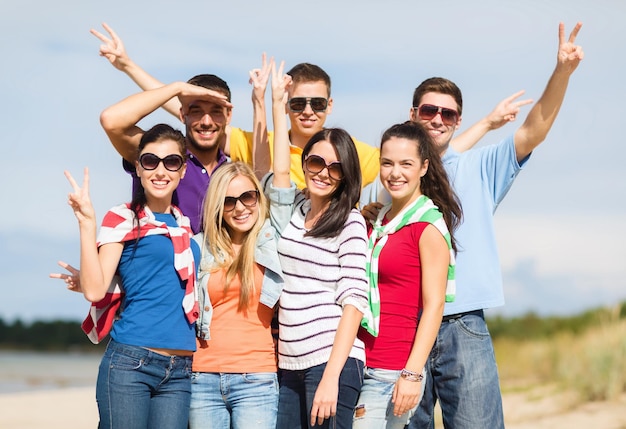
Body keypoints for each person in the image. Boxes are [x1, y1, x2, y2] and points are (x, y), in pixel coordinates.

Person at [402, 22, 584, 428]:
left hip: (462, 323)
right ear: (413, 113)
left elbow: (533, 129)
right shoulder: (393, 175)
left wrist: (561, 73)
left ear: (456, 119)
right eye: (428, 110)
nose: (437, 119)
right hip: (402, 325)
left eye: (447, 113)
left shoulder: (480, 167)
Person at [63, 124, 200, 429]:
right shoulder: (124, 219)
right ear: (138, 168)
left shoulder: (186, 227)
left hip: (180, 370)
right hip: (131, 362)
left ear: (182, 171)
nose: (160, 170)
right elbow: (96, 289)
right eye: (150, 161)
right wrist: (87, 222)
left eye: (172, 162)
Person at [268, 61, 369, 429]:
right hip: (289, 362)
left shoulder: (350, 222)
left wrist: (331, 377)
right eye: (316, 161)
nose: (323, 172)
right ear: (305, 162)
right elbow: (279, 170)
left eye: (336, 167)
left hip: (331, 362)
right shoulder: (293, 209)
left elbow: (355, 302)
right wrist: (278, 107)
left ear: (346, 176)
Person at [353, 121, 462, 429]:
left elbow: (434, 306)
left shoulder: (427, 226)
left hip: (391, 370)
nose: (394, 172)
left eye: (406, 164)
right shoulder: (378, 222)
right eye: (387, 163)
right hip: (358, 362)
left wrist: (412, 374)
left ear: (424, 167)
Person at [189, 161, 285, 429]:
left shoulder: (273, 240)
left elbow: (283, 186)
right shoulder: (199, 246)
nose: (240, 208)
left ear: (258, 196)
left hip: (256, 377)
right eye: (229, 201)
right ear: (218, 207)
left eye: (247, 197)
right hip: (203, 376)